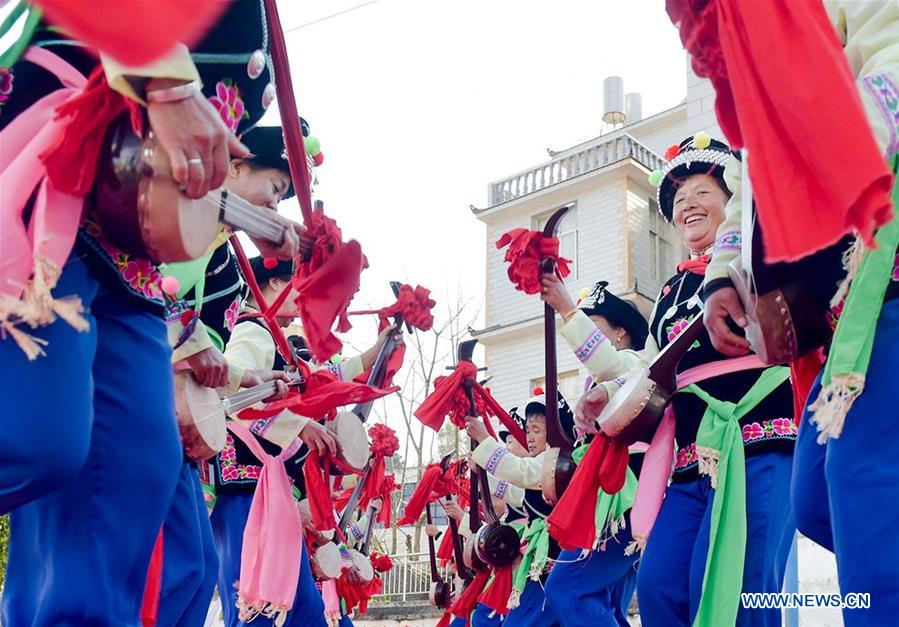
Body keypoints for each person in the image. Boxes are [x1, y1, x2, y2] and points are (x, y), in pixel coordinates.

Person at [0, 2, 297, 624]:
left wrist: (254, 221)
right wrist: (168, 80)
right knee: (34, 439)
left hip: (127, 258)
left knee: (137, 468)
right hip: (44, 181)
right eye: (274, 186)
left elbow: (166, 169)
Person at [700, 3, 899, 624]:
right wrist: (724, 278)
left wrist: (806, 158)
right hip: (833, 327)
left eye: (695, 196)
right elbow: (754, 173)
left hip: (880, 273)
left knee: (860, 494)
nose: (687, 209)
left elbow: (890, 72)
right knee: (818, 500)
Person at [577, 135, 795, 627]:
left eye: (702, 192)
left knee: (741, 588)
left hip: (758, 437)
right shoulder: (672, 291)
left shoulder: (758, 251)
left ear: (733, 199)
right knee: (660, 587)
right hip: (690, 458)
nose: (688, 205)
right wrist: (607, 394)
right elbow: (648, 368)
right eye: (678, 200)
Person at [538, 279, 649, 627]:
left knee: (568, 589)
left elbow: (612, 369)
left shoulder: (636, 363)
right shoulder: (597, 383)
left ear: (620, 334)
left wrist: (568, 310)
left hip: (625, 498)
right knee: (604, 603)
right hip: (601, 503)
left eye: (595, 328)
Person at [466, 391, 578, 627]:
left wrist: (485, 441)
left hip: (553, 565)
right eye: (527, 431)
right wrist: (482, 470)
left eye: (536, 430)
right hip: (542, 567)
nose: (529, 437)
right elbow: (513, 491)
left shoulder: (558, 462)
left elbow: (520, 472)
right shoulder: (543, 466)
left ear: (558, 430)